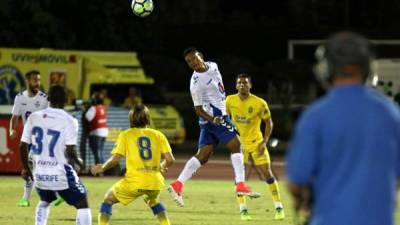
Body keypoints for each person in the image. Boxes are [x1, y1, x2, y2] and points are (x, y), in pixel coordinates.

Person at [286, 31, 400, 225]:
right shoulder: (390, 113)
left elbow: (296, 181)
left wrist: (303, 199)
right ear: (368, 68)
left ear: (326, 68)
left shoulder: (316, 115)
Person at [168, 47, 259, 207]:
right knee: (237, 146)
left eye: (194, 58)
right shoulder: (195, 84)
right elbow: (198, 110)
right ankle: (240, 184)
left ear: (201, 57)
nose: (193, 63)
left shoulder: (213, 65)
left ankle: (178, 185)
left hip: (212, 119)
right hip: (215, 117)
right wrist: (214, 119)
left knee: (203, 155)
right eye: (189, 62)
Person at [91, 103, 175, 225]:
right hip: (155, 182)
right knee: (153, 202)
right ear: (148, 118)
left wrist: (102, 168)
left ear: (131, 119)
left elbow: (115, 159)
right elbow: (170, 159)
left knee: (108, 198)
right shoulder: (158, 135)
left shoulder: (126, 135)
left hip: (135, 182)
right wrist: (161, 167)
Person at [19, 85, 92, 225]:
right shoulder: (70, 121)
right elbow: (70, 151)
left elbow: (22, 146)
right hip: (60, 173)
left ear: (48, 98)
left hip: (39, 174)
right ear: (66, 100)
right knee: (82, 204)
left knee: (45, 200)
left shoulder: (34, 117)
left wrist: (27, 169)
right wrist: (79, 162)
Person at [226, 73, 285, 221]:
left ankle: (279, 207)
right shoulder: (229, 100)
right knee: (240, 179)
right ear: (236, 85)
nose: (242, 85)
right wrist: (230, 137)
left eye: (245, 83)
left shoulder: (259, 103)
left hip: (257, 143)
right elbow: (226, 120)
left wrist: (264, 142)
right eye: (239, 83)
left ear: (250, 85)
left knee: (267, 174)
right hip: (239, 145)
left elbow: (269, 123)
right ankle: (243, 211)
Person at [9, 70, 62, 207]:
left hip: (42, 140)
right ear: (27, 81)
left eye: (39, 80)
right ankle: (55, 195)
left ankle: (26, 198)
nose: (37, 83)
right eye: (34, 80)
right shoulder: (20, 98)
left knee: (32, 168)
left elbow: (51, 115)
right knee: (36, 169)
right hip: (29, 139)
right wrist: (11, 129)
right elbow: (15, 116)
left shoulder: (44, 98)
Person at [85, 92, 108, 164]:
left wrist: (87, 108)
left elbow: (88, 117)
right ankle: (103, 169)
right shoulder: (103, 107)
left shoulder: (93, 108)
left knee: (97, 151)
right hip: (104, 132)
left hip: (96, 132)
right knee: (101, 151)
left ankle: (99, 170)